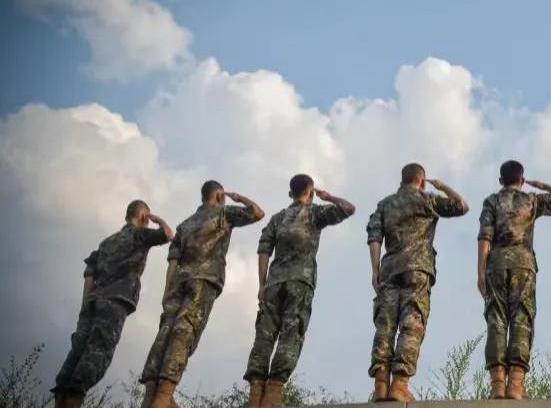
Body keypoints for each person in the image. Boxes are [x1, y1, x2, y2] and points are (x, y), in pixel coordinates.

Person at [141, 181, 263, 408]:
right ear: (218, 194)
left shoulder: (185, 225)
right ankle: (163, 397)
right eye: (223, 194)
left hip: (178, 283)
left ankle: (150, 394)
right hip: (203, 281)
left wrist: (167, 291)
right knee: (184, 332)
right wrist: (238, 197)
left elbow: (173, 262)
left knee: (165, 332)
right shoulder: (224, 213)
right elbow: (257, 213)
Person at [243, 174, 356, 407]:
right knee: (291, 334)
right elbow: (349, 208)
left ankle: (255, 393)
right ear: (311, 192)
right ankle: (273, 393)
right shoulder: (315, 213)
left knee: (264, 335)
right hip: (300, 282)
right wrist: (329, 196)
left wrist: (262, 284)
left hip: (273, 284)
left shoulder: (278, 218)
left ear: (290, 194)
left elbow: (263, 250)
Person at [52, 201, 174, 408]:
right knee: (98, 353)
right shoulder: (139, 235)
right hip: (114, 301)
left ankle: (61, 399)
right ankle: (73, 401)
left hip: (91, 302)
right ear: (143, 215)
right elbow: (169, 234)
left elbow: (89, 275)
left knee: (77, 353)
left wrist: (86, 304)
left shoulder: (106, 242)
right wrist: (156, 220)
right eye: (146, 216)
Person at [367, 163, 469, 401]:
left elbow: (374, 237)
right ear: (421, 181)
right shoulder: (428, 200)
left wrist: (375, 270)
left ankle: (381, 384)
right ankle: (399, 385)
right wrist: (443, 187)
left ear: (402, 180)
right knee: (411, 324)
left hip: (389, 269)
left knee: (385, 325)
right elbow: (462, 206)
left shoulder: (385, 204)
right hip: (417, 269)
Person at [477, 160, 551, 400]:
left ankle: (498, 385)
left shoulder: (491, 201)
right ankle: (516, 386)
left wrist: (480, 272)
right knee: (522, 320)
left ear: (501, 180)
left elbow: (484, 238)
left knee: (496, 322)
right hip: (523, 265)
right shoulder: (532, 200)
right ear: (522, 179)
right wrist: (540, 184)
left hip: (496, 264)